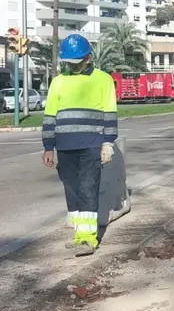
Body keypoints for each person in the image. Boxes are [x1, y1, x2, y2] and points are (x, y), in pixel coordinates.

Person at [42, 34, 118, 257]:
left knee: (87, 188)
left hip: (91, 144)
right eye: (69, 63)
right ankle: (79, 234)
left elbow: (110, 112)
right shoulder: (58, 81)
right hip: (65, 146)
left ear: (88, 58)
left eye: (77, 62)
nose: (73, 67)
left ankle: (87, 238)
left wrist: (108, 142)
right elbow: (50, 116)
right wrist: (48, 146)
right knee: (72, 190)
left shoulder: (103, 79)